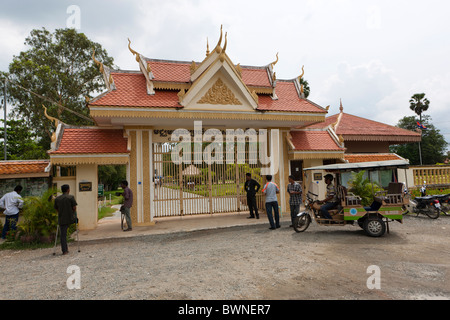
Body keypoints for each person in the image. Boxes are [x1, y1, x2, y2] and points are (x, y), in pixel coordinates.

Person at [54, 184, 77, 255]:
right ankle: (65, 250)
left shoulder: (57, 199)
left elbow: (56, 209)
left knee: (63, 235)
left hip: (62, 219)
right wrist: (72, 214)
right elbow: (74, 208)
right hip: (71, 218)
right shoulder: (71, 197)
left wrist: (61, 213)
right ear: (68, 190)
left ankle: (64, 251)